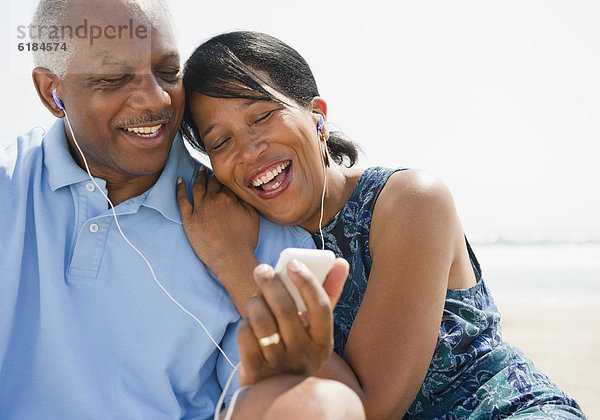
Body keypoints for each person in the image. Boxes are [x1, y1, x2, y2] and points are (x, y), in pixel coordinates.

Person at [178, 31, 586, 419]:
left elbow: (369, 410)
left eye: (262, 116)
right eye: (220, 143)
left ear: (318, 117)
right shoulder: (250, 231)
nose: (248, 151)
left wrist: (234, 264)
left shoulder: (411, 200)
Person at [0, 2, 366, 419]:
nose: (157, 98)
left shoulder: (254, 234)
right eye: (114, 78)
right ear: (53, 92)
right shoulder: (8, 186)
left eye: (168, 72)